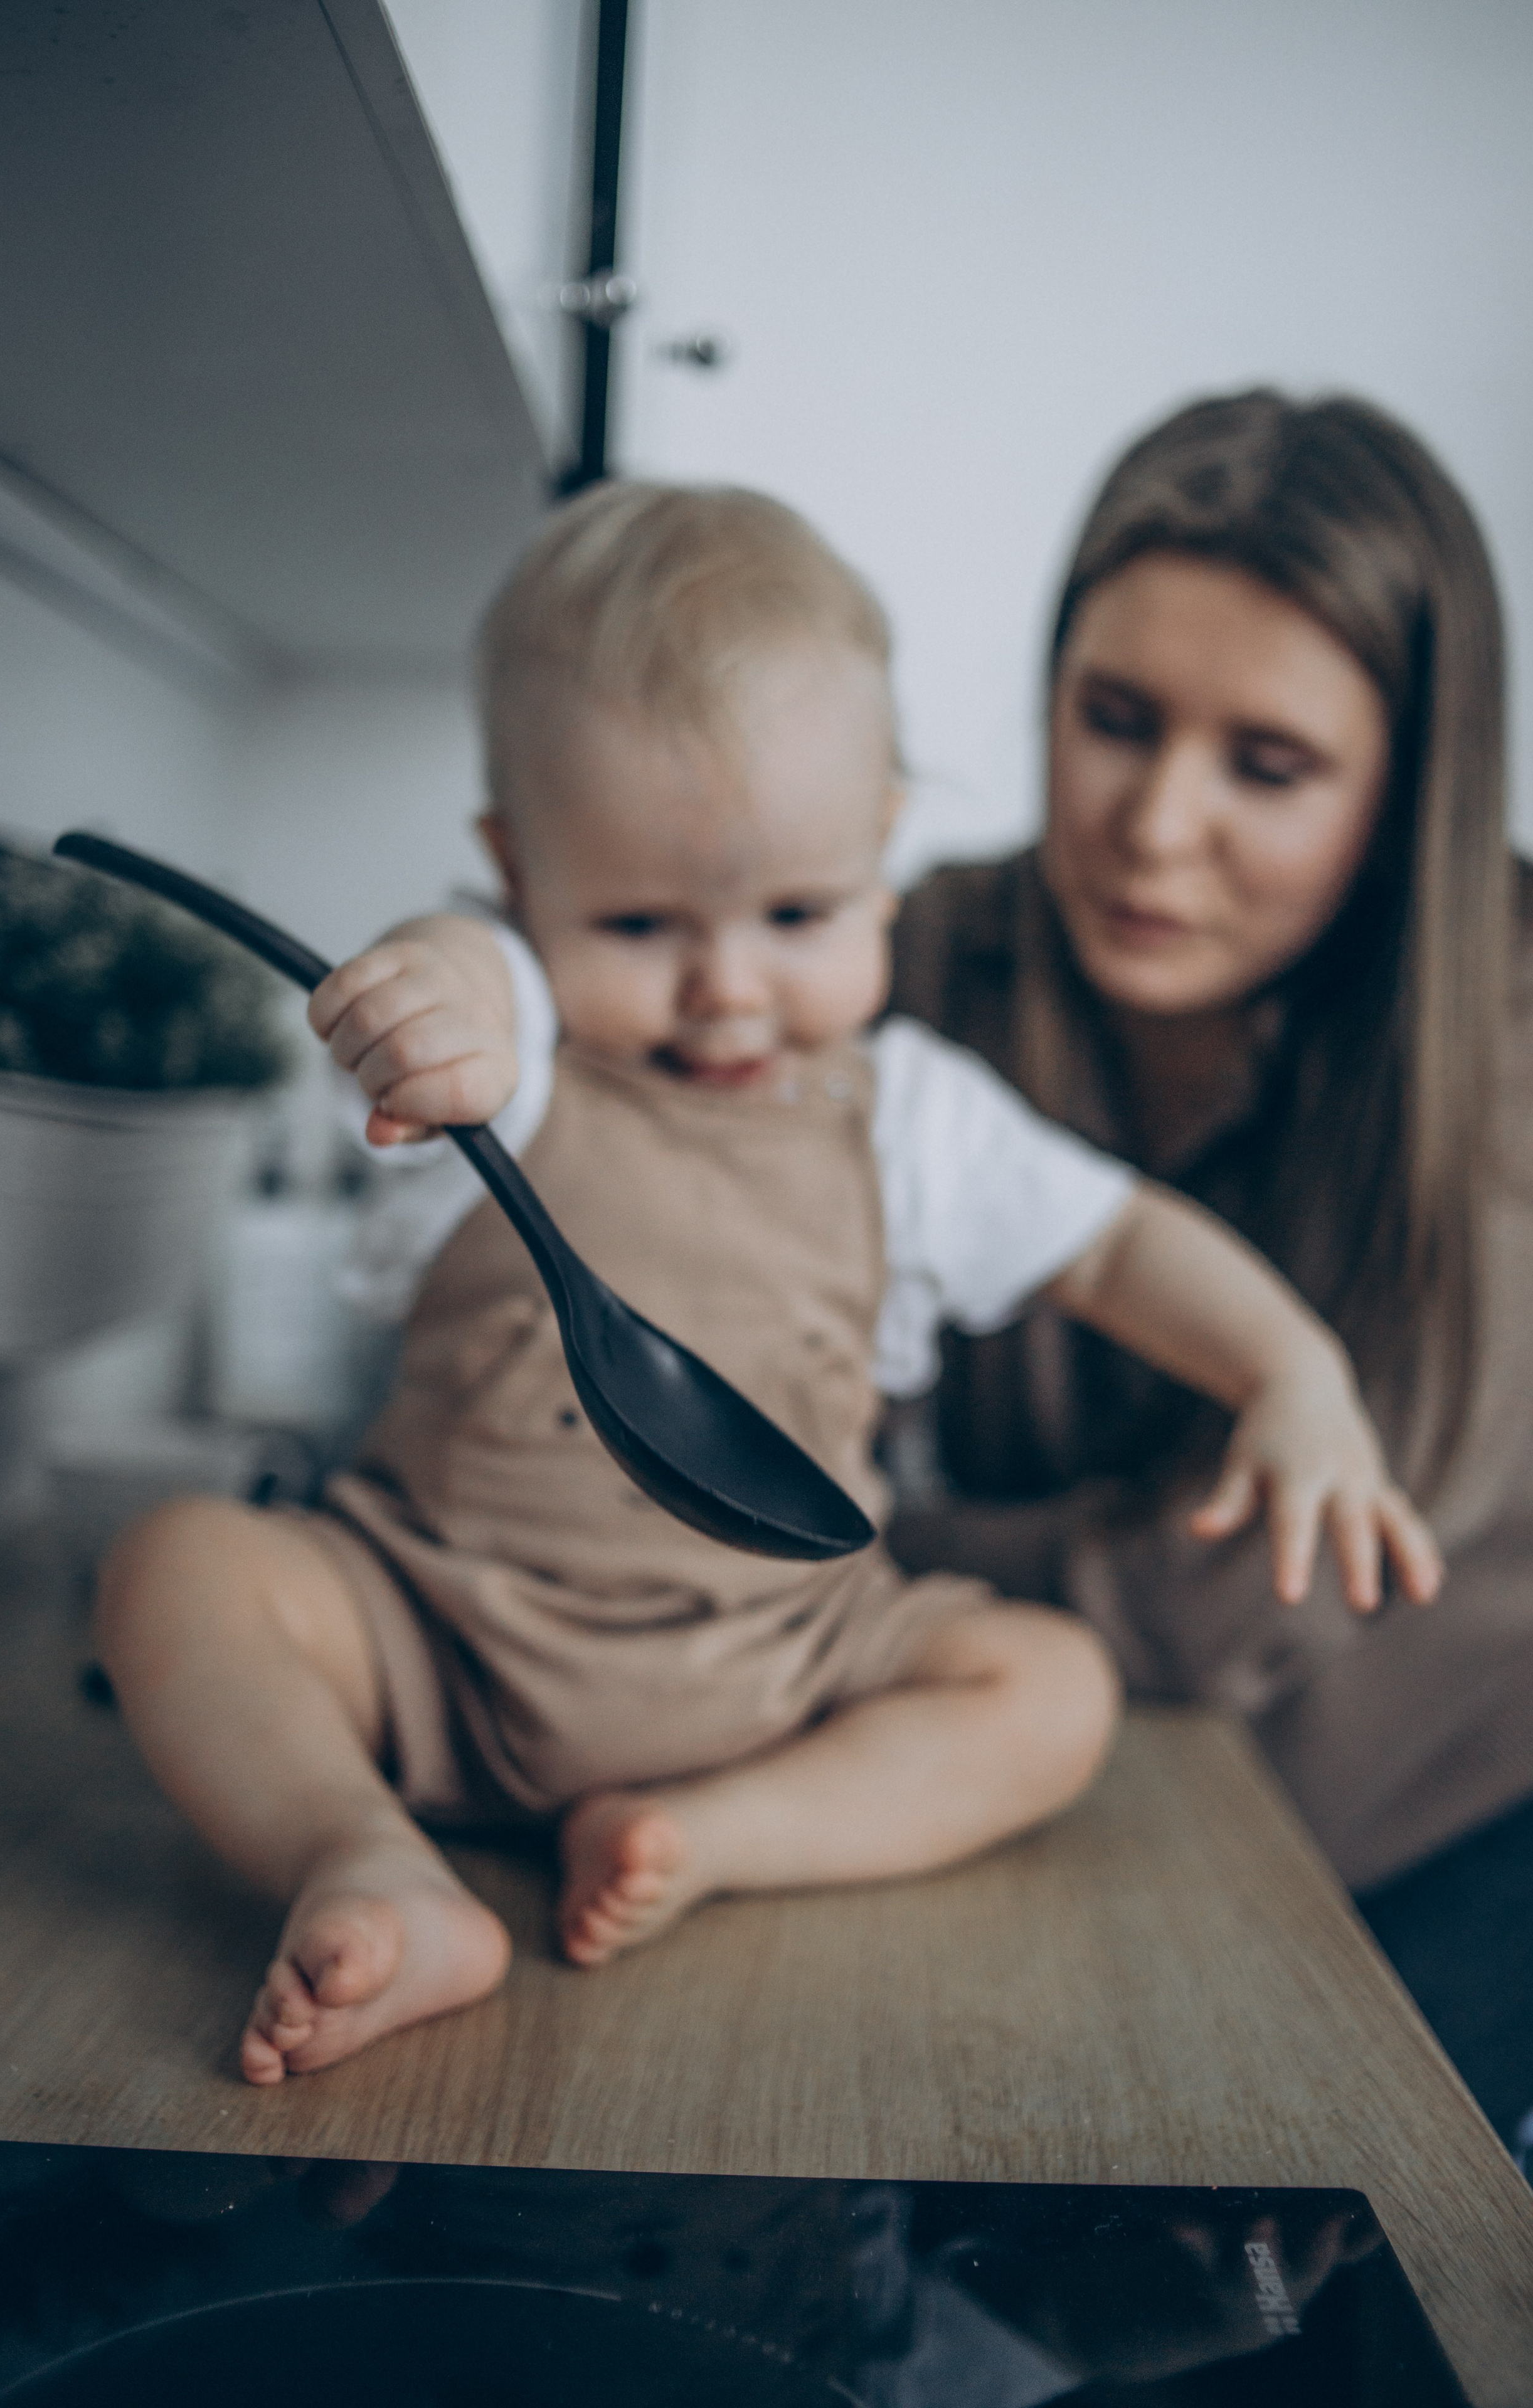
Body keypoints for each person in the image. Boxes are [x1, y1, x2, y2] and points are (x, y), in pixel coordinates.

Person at [95, 482, 1437, 2086]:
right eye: (639, 921)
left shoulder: (911, 1115)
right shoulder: (513, 1059)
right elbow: (462, 980)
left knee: (1049, 1691)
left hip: (789, 1668)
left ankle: (715, 1833)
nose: (727, 989)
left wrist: (1290, 1371)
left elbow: (1114, 1244)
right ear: (517, 873)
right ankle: (362, 1854)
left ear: (882, 856)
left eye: (797, 915)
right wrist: (435, 1001)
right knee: (182, 1567)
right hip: (427, 1634)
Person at [887, 388, 1533, 2151]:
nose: (1155, 825)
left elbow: (1231, 1591)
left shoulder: (1506, 1034)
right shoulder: (926, 952)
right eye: (1113, 721)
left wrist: (864, 1553)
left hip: (1442, 1839)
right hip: (1071, 1790)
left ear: (1405, 797)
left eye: (1268, 766)